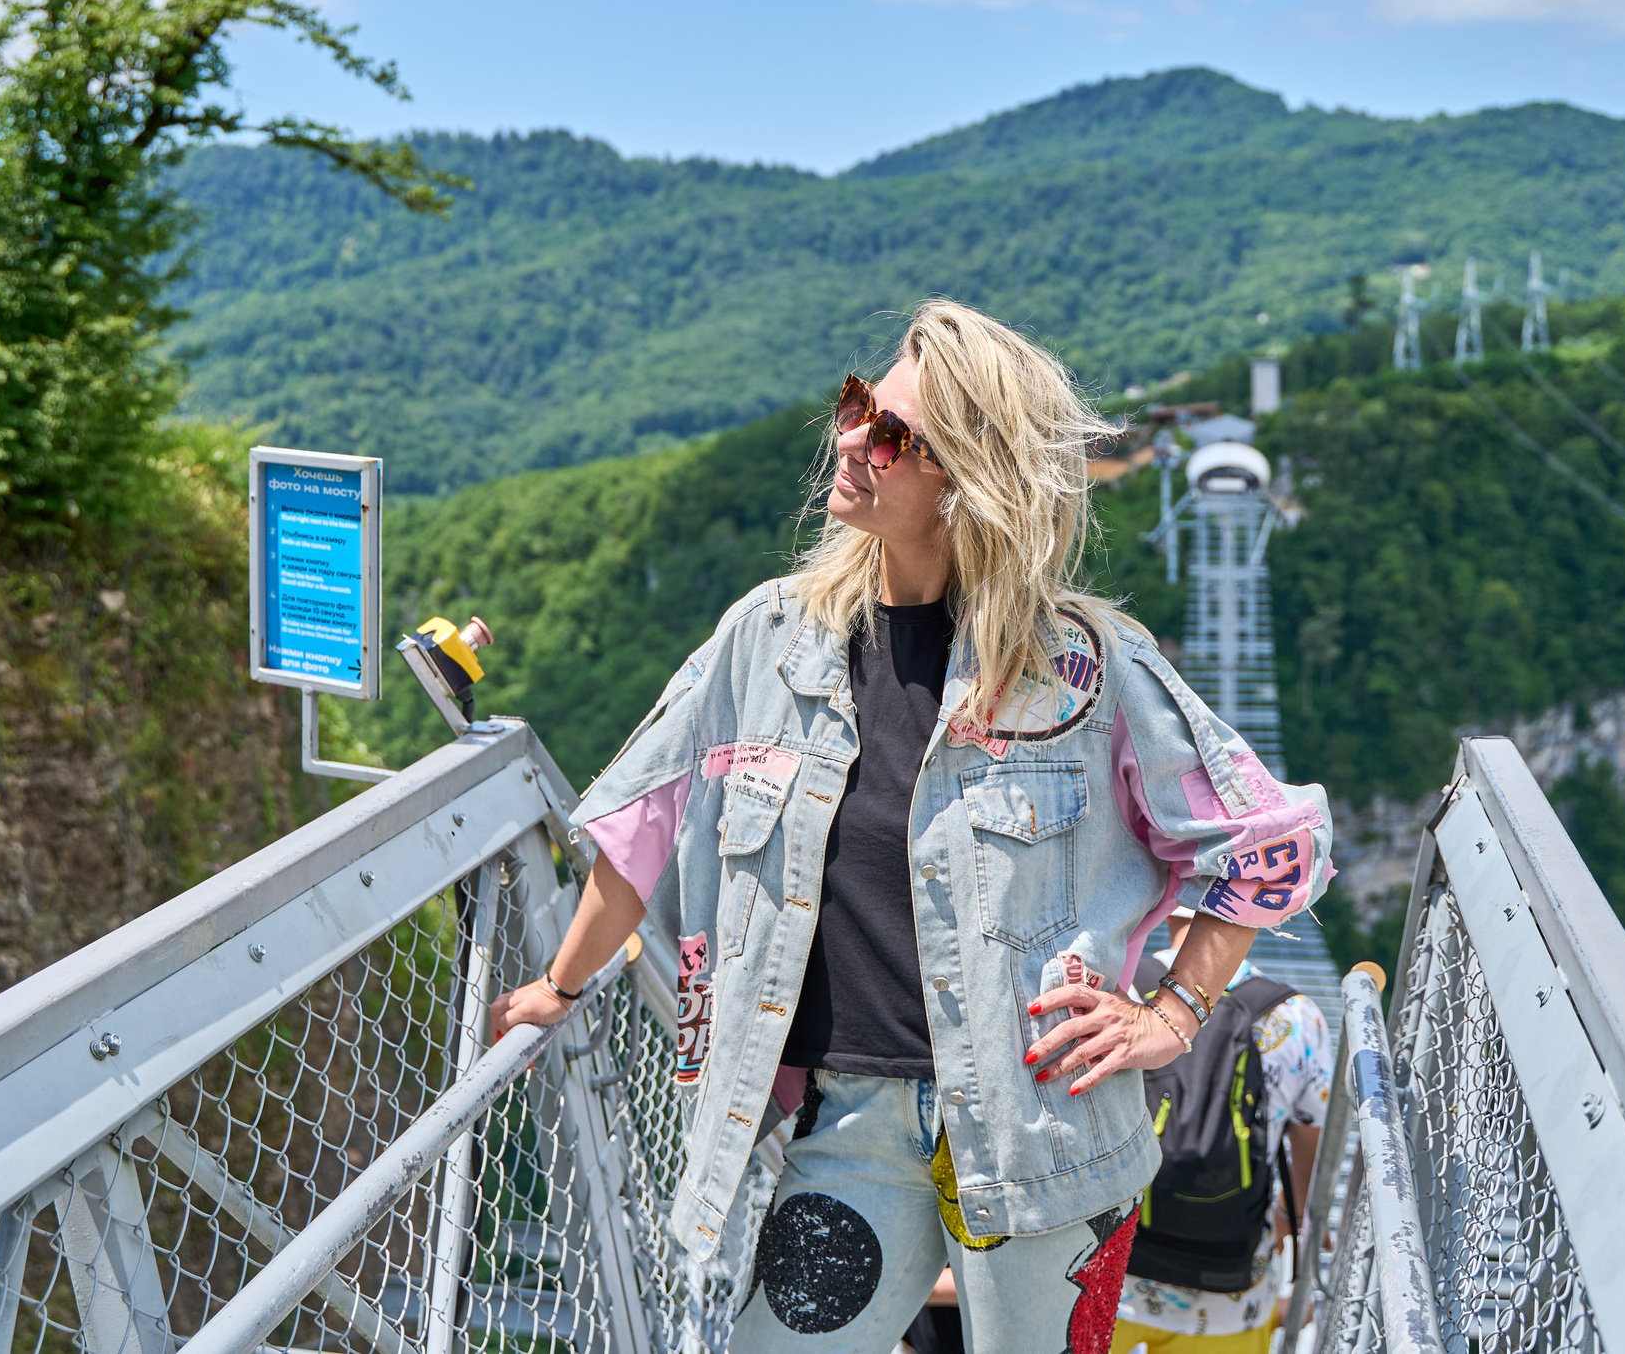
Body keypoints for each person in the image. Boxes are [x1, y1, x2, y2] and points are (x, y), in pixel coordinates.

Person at [489, 300, 1338, 1354]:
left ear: (965, 478)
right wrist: (559, 988)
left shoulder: (1082, 668)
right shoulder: (767, 640)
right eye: (858, 404)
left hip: (1049, 1142)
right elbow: (641, 821)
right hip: (851, 1131)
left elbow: (1268, 844)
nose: (850, 439)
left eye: (890, 435)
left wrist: (1171, 1017)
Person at [1111, 910, 1331, 1354]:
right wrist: (1293, 1216)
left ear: (1166, 899)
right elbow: (1311, 1149)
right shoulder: (1296, 1015)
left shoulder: (1123, 993)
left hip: (1110, 1277)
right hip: (1230, 1297)